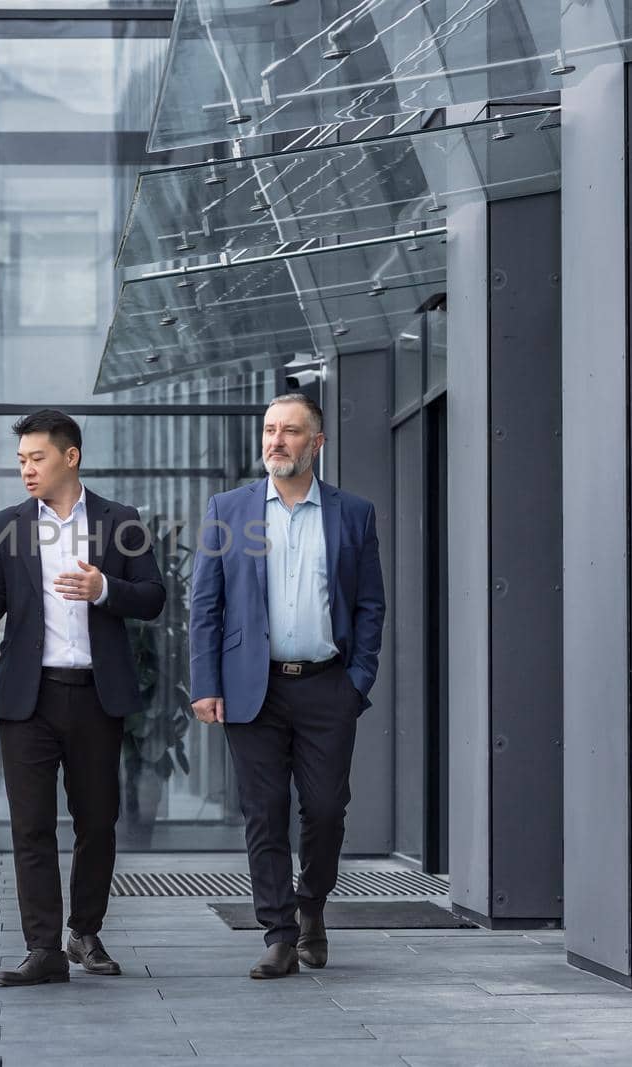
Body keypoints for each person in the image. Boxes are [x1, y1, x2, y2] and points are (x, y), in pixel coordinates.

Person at [0, 409, 166, 986]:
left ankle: (85, 933)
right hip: (30, 697)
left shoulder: (122, 522)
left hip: (96, 694)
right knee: (31, 826)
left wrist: (105, 588)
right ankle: (43, 948)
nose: (25, 469)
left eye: (36, 458)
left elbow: (152, 597)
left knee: (98, 822)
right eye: (21, 460)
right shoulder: (5, 526)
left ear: (70, 457)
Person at [188, 393, 386, 979]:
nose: (276, 441)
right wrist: (205, 683)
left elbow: (370, 605)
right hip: (254, 689)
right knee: (264, 811)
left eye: (291, 432)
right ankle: (278, 933)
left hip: (328, 687)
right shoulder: (229, 510)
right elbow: (206, 606)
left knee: (325, 810)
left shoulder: (354, 514)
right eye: (270, 429)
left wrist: (358, 681)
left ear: (316, 444)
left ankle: (312, 909)